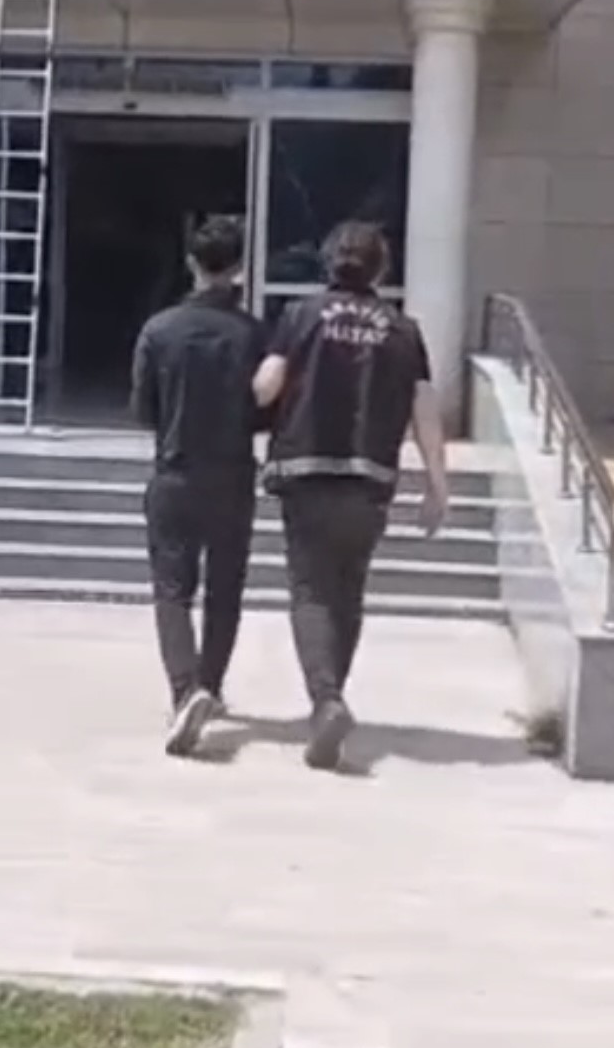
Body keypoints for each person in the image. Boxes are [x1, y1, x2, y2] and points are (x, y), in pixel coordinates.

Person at [253, 222, 449, 772]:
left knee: (311, 591)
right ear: (381, 268)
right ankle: (331, 698)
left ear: (328, 262)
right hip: (370, 477)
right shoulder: (404, 330)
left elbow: (266, 386)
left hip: (306, 470)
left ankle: (326, 700)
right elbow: (425, 410)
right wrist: (437, 484)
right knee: (348, 592)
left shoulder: (300, 315)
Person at [131, 216, 267, 757]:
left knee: (172, 589)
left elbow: (143, 410)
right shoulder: (253, 334)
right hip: (232, 473)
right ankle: (209, 684)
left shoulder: (159, 330)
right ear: (239, 267)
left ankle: (185, 689)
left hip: (175, 471)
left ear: (191, 263)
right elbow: (266, 407)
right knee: (225, 589)